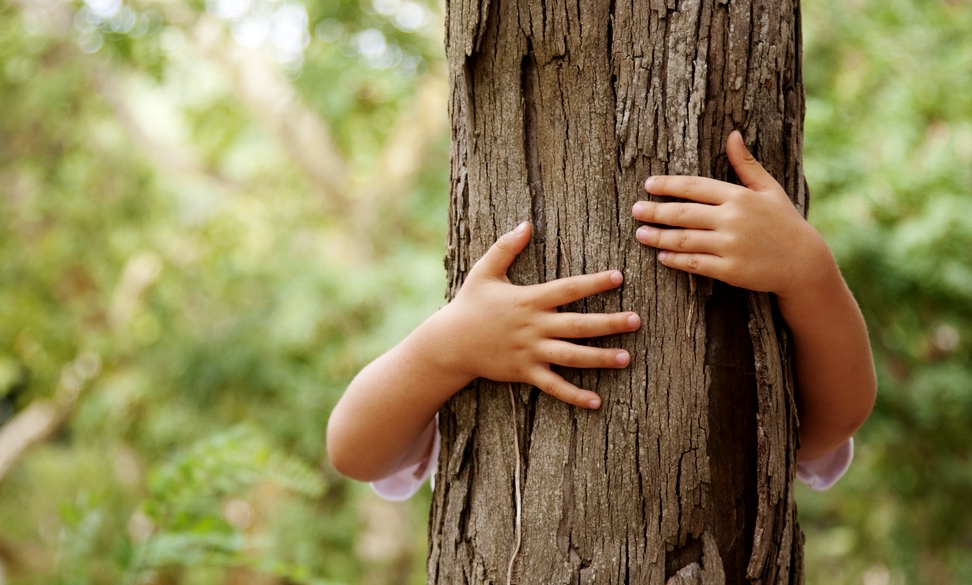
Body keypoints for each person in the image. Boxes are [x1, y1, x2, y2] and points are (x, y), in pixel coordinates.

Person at [326, 130, 877, 499]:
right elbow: (354, 451)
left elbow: (825, 427)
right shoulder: (484, 366)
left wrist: (810, 273)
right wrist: (446, 347)